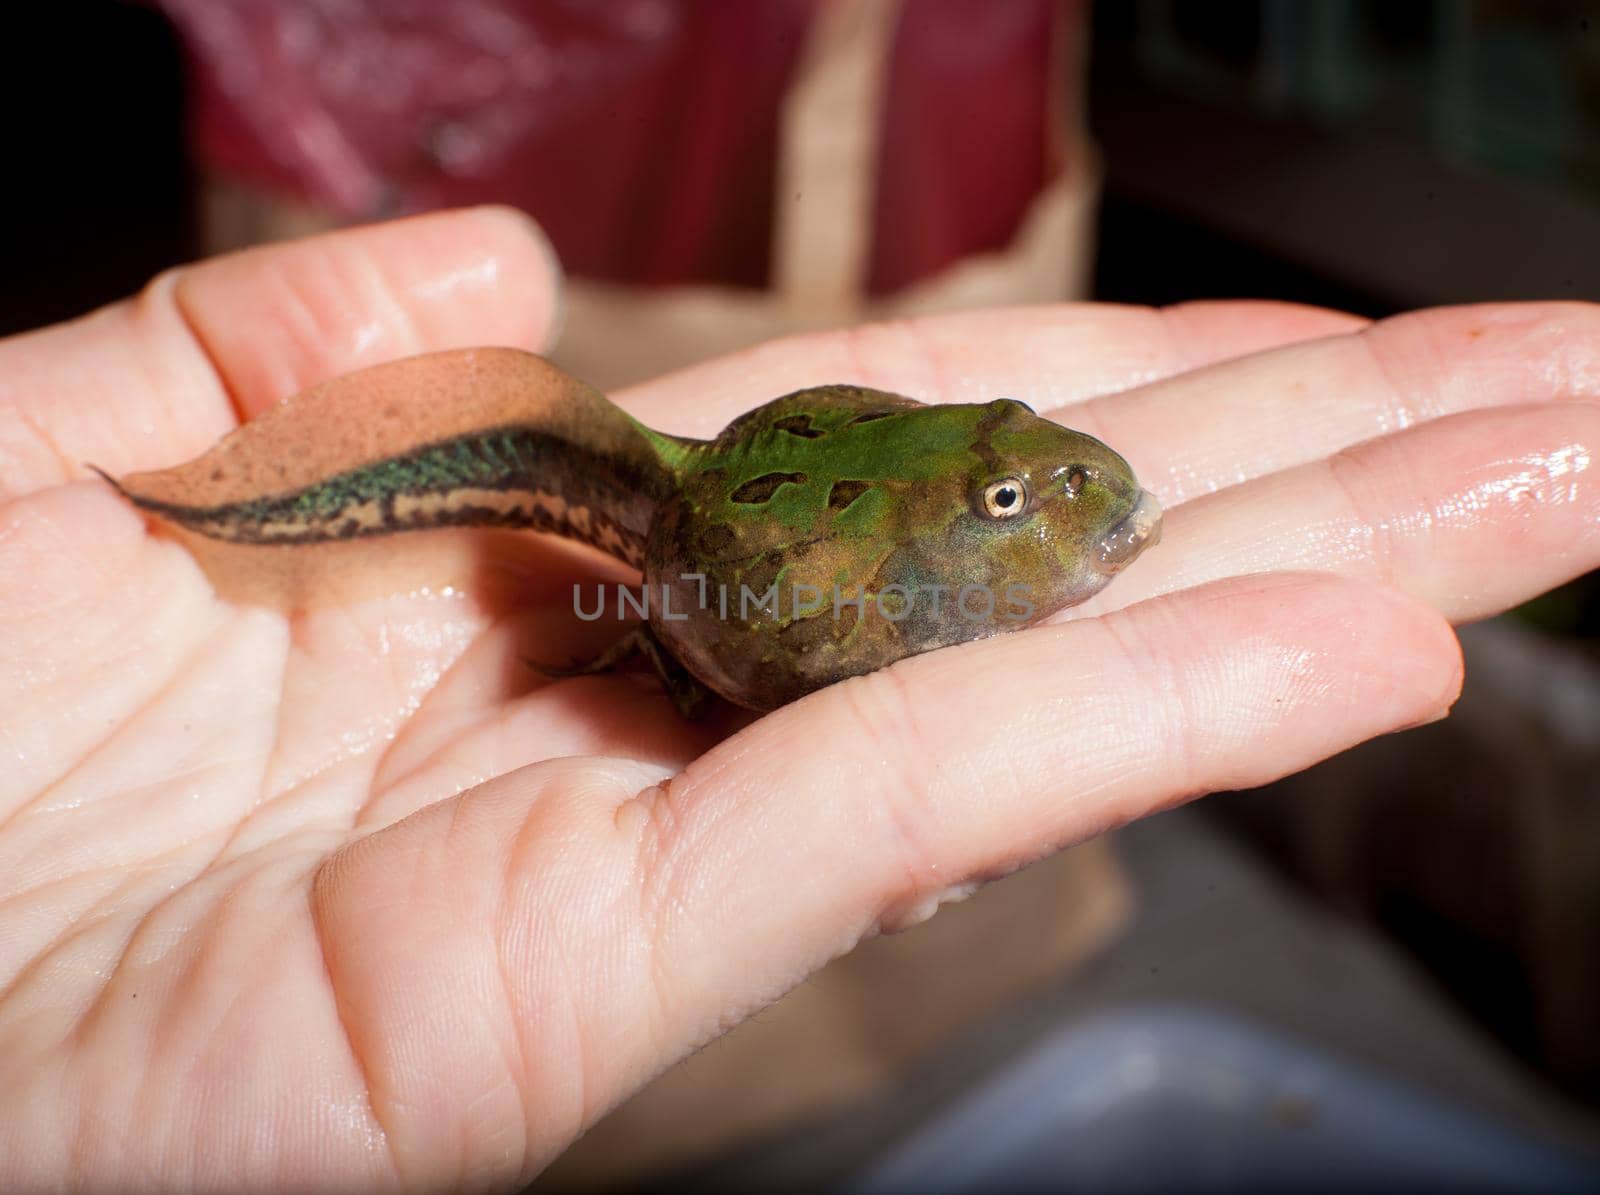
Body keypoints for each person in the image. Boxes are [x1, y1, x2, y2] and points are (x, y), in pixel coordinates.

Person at [0, 206, 1594, 1190]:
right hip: (733, 536)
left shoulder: (994, 500)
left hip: (813, 455)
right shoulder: (793, 586)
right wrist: (675, 646)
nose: (1061, 509)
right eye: (1005, 510)